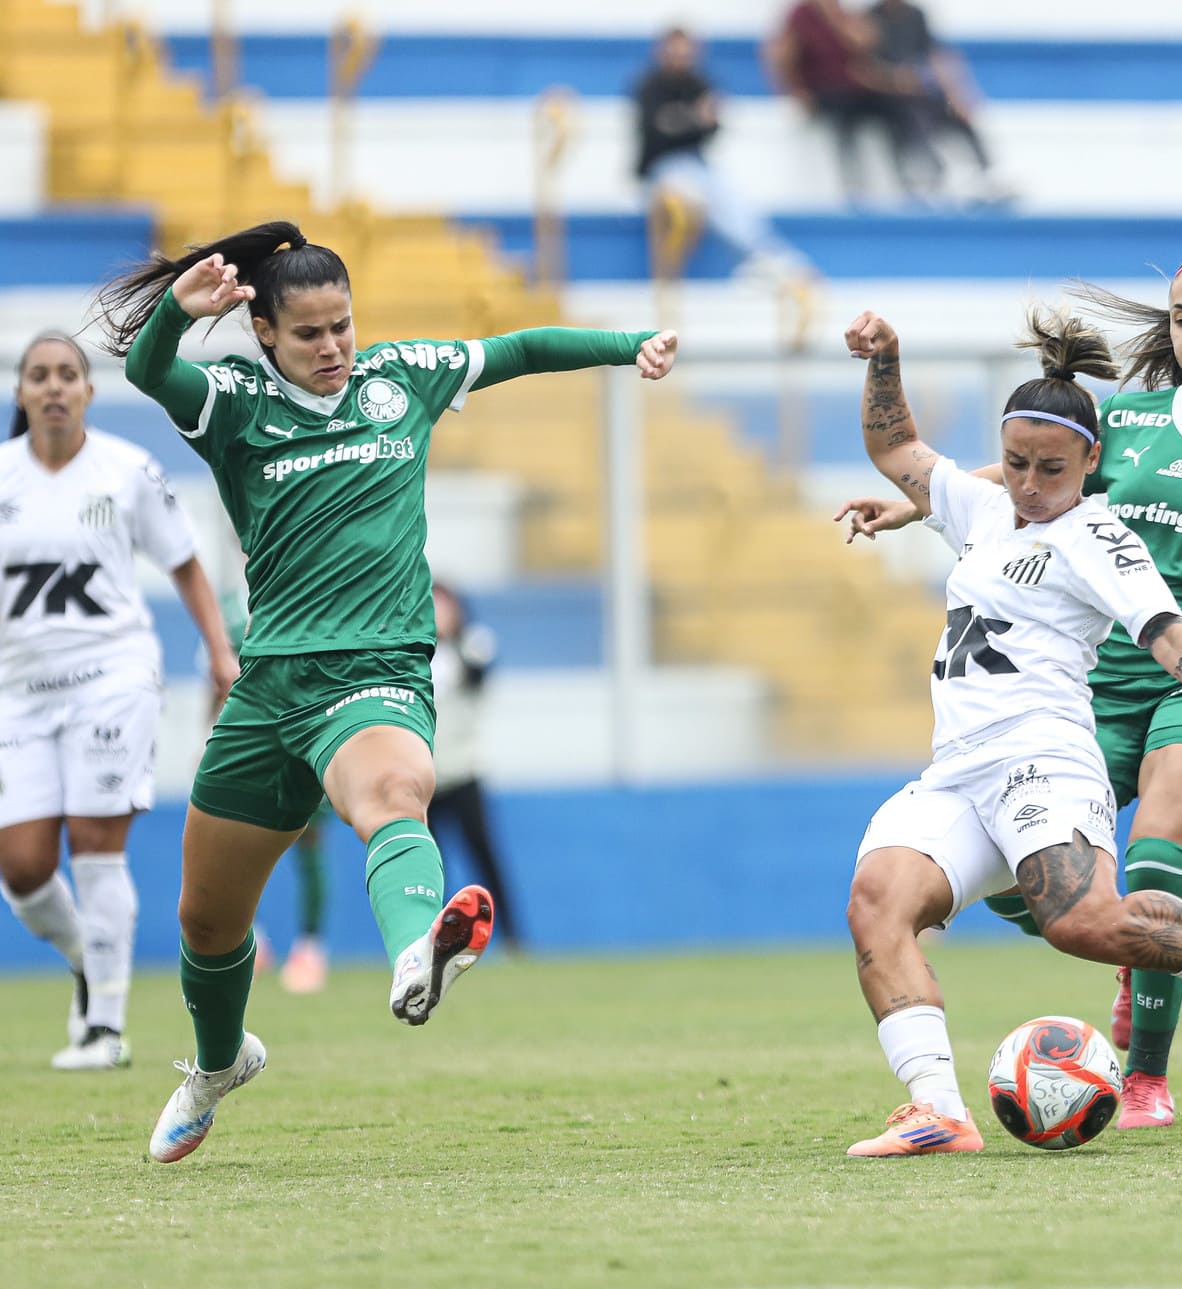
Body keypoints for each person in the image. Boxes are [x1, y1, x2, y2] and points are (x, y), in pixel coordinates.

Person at [94, 220, 678, 1161]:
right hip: (269, 686)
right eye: (311, 333)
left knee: (393, 796)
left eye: (343, 326)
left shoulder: (399, 378)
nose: (333, 348)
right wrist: (172, 311)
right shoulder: (237, 403)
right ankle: (215, 1065)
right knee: (206, 921)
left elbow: (519, 349)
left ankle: (419, 947)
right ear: (268, 337)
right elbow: (148, 371)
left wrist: (628, 344)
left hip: (376, 672)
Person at [839, 233, 1182, 1131]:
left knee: (1152, 861)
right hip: (1067, 704)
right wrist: (916, 495)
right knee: (947, 904)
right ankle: (936, 1109)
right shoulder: (1114, 425)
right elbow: (975, 464)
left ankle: (1158, 1072)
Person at [2, 330, 239, 1069]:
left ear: (88, 390)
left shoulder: (127, 470)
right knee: (23, 866)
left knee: (97, 845)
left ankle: (105, 1025)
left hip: (113, 677)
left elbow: (186, 565)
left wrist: (220, 654)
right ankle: (84, 956)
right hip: (18, 691)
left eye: (67, 374)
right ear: (20, 392)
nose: (53, 387)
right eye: (38, 375)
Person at [208, 578, 334, 994]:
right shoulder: (227, 605)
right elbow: (219, 681)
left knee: (308, 840)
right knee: (236, 842)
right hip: (248, 734)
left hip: (303, 727)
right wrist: (207, 738)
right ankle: (252, 939)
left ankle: (310, 948)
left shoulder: (308, 583)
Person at [634, 26, 817, 292]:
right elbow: (658, 129)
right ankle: (755, 258)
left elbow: (710, 126)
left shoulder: (699, 83)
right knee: (697, 196)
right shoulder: (651, 85)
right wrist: (695, 118)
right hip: (661, 168)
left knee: (732, 197)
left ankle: (767, 257)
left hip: (696, 162)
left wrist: (686, 120)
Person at [764, 0, 936, 202]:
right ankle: (852, 184)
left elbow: (867, 42)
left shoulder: (843, 14)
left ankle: (908, 175)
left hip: (856, 88)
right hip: (826, 90)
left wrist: (836, 20)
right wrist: (797, 92)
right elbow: (781, 57)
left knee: (896, 109)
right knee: (844, 118)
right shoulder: (800, 15)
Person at [426, 582, 520, 950]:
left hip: (464, 772)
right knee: (431, 867)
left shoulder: (474, 642)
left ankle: (513, 938)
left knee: (485, 857)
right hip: (427, 778)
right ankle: (433, 944)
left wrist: (447, 641)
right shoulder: (414, 655)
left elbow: (475, 673)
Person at [868, 0, 1010, 205]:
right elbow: (865, 64)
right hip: (890, 96)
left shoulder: (916, 15)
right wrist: (896, 81)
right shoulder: (871, 18)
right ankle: (930, 177)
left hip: (921, 90)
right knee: (914, 118)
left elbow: (934, 54)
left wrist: (956, 94)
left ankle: (985, 172)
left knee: (956, 114)